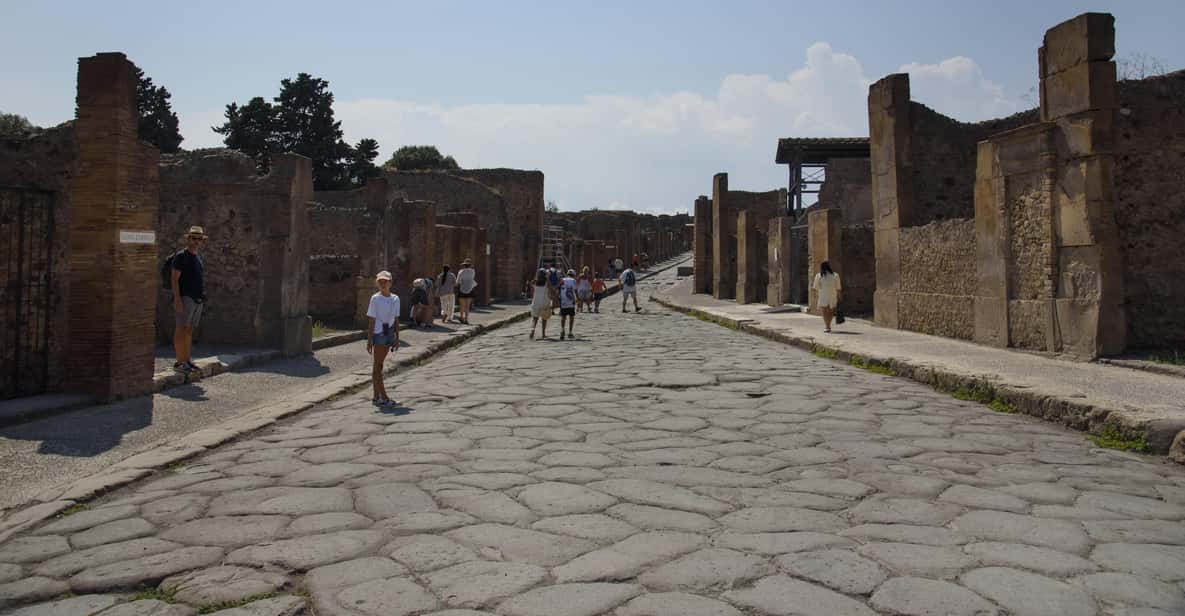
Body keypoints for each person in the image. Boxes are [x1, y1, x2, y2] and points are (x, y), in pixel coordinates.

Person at [170, 226, 208, 373]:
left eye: (199, 239)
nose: (196, 241)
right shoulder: (181, 257)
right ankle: (180, 362)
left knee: (189, 329)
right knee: (180, 328)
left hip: (197, 299)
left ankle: (187, 360)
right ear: (188, 239)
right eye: (194, 238)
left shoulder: (197, 257)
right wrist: (177, 299)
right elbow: (174, 279)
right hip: (185, 297)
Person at [366, 270, 400, 406]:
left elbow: (396, 319)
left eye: (385, 281)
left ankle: (376, 397)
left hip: (388, 331)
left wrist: (397, 337)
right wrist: (369, 340)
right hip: (379, 333)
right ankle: (384, 397)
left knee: (378, 366)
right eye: (380, 281)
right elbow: (372, 320)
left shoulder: (395, 298)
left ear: (390, 282)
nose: (383, 283)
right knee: (378, 366)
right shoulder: (375, 298)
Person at [812, 261, 842, 333]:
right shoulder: (835, 275)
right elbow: (838, 288)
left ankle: (827, 326)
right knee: (830, 311)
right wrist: (839, 296)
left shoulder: (819, 276)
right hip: (832, 295)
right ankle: (828, 325)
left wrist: (814, 296)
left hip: (823, 295)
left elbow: (815, 287)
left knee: (825, 311)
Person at [528, 269, 552, 340]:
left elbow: (531, 283)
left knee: (534, 319)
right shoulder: (546, 283)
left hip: (536, 302)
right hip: (544, 302)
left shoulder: (535, 282)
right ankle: (543, 334)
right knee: (544, 319)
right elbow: (551, 288)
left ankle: (532, 332)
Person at [457, 258, 477, 325]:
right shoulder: (473, 271)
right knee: (467, 306)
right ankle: (466, 319)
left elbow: (458, 282)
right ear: (470, 265)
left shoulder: (461, 272)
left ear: (464, 265)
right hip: (470, 289)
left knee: (462, 305)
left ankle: (461, 317)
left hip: (462, 289)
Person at [559, 269, 578, 340]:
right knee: (571, 317)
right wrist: (578, 298)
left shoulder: (562, 279)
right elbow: (575, 291)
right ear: (573, 275)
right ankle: (570, 332)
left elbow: (559, 289)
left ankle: (562, 330)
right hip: (571, 301)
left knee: (563, 317)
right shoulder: (573, 281)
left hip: (563, 301)